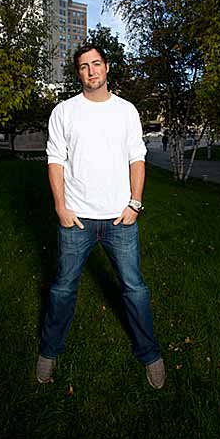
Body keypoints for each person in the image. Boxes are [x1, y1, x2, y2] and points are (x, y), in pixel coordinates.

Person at [36, 44, 165, 389]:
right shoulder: (64, 112)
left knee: (135, 288)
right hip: (76, 220)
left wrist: (135, 204)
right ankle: (49, 350)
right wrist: (61, 208)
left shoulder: (126, 111)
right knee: (63, 289)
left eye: (96, 64)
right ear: (78, 73)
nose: (91, 71)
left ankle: (150, 353)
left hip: (119, 221)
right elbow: (55, 161)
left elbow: (137, 158)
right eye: (83, 66)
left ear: (107, 67)